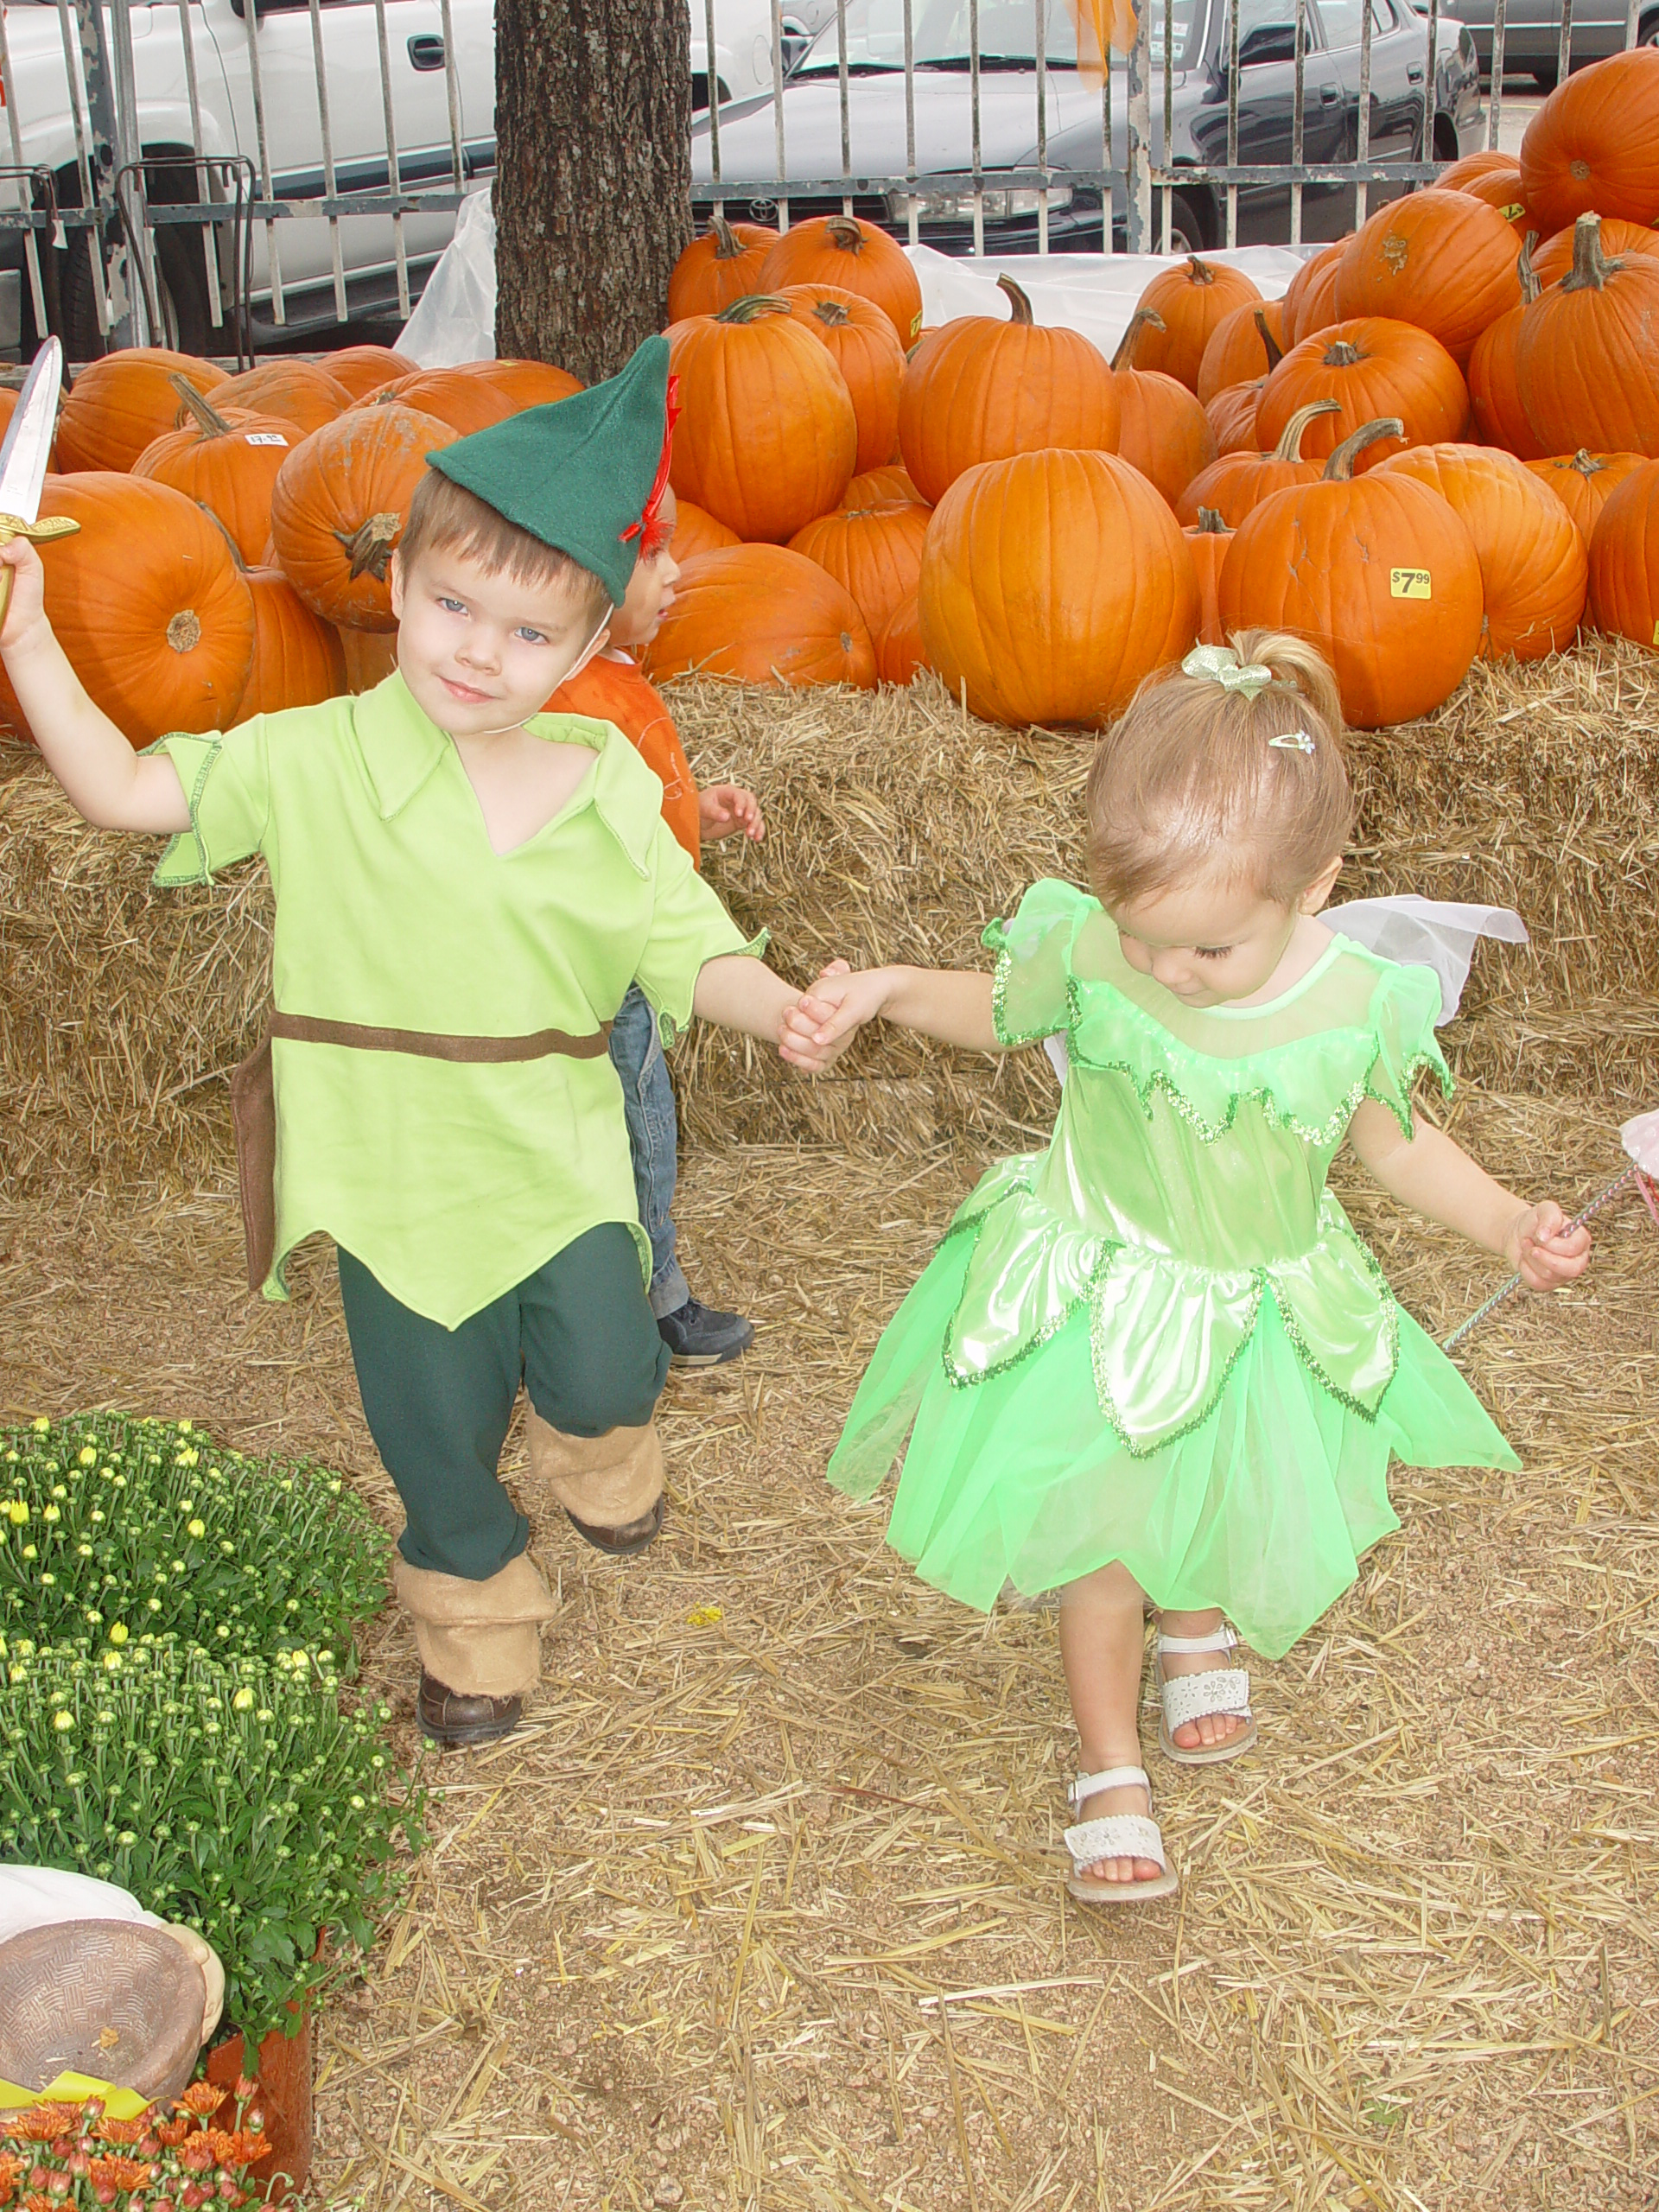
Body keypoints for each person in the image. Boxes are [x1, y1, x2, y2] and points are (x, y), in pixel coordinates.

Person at [2, 337, 845, 1751]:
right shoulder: (312, 758)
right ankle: (475, 1628)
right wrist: (29, 638)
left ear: (588, 650)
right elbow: (122, 789)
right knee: (434, 1434)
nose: (476, 650)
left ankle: (602, 1444)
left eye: (528, 632)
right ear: (393, 582)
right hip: (394, 1180)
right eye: (453, 603)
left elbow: (687, 945)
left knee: (602, 1366)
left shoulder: (604, 787)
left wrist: (781, 1007)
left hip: (560, 1166)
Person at [784, 634, 1592, 1904]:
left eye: (1209, 953)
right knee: (1102, 1539)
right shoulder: (1101, 950)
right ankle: (1108, 1763)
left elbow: (1398, 1146)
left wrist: (1503, 1226)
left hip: (1253, 1296)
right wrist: (886, 987)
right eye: (1142, 934)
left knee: (1216, 1480)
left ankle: (1196, 1610)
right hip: (1099, 1285)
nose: (1167, 971)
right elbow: (996, 1008)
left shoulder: (1347, 1006)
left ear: (1314, 887)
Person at [547, 480, 765, 1369]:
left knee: (632, 1119)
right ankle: (655, 1300)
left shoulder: (605, 679)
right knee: (636, 1125)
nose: (676, 571)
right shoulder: (566, 701)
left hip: (625, 948)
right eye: (653, 553)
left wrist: (694, 810)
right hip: (609, 965)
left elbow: (638, 801)